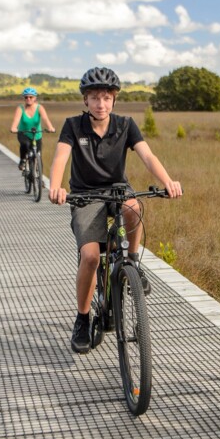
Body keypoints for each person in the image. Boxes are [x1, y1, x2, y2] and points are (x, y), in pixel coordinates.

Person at [49, 67, 183, 354]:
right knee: (90, 257)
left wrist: (168, 181)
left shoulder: (126, 125)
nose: (101, 104)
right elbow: (61, 157)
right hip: (85, 195)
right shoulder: (73, 126)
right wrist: (57, 186)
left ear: (114, 100)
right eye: (95, 97)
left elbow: (147, 155)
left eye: (107, 98)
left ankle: (132, 261)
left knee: (134, 206)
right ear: (85, 101)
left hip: (117, 190)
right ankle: (83, 319)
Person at [9, 87, 56, 171]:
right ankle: (23, 160)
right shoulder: (20, 108)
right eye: (26, 97)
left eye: (31, 97)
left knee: (38, 156)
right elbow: (16, 120)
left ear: (35, 98)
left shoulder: (39, 108)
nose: (28, 99)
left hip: (36, 134)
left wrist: (50, 128)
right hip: (24, 133)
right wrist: (13, 128)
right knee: (25, 145)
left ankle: (39, 179)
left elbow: (45, 119)